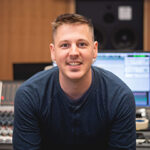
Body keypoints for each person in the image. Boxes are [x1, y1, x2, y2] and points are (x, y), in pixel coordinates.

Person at [13, 13, 136, 149]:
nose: (73, 53)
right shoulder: (29, 96)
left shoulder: (120, 97)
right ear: (53, 52)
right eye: (65, 45)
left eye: (82, 44)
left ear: (94, 50)